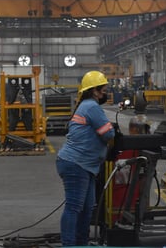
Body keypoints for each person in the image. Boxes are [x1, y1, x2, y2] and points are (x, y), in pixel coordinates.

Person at [56, 71, 115, 246]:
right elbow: (108, 133)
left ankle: (81, 242)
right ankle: (69, 244)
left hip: (85, 165)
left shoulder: (87, 105)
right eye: (103, 90)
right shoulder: (91, 106)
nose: (105, 93)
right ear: (94, 91)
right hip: (75, 164)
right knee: (74, 207)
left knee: (87, 207)